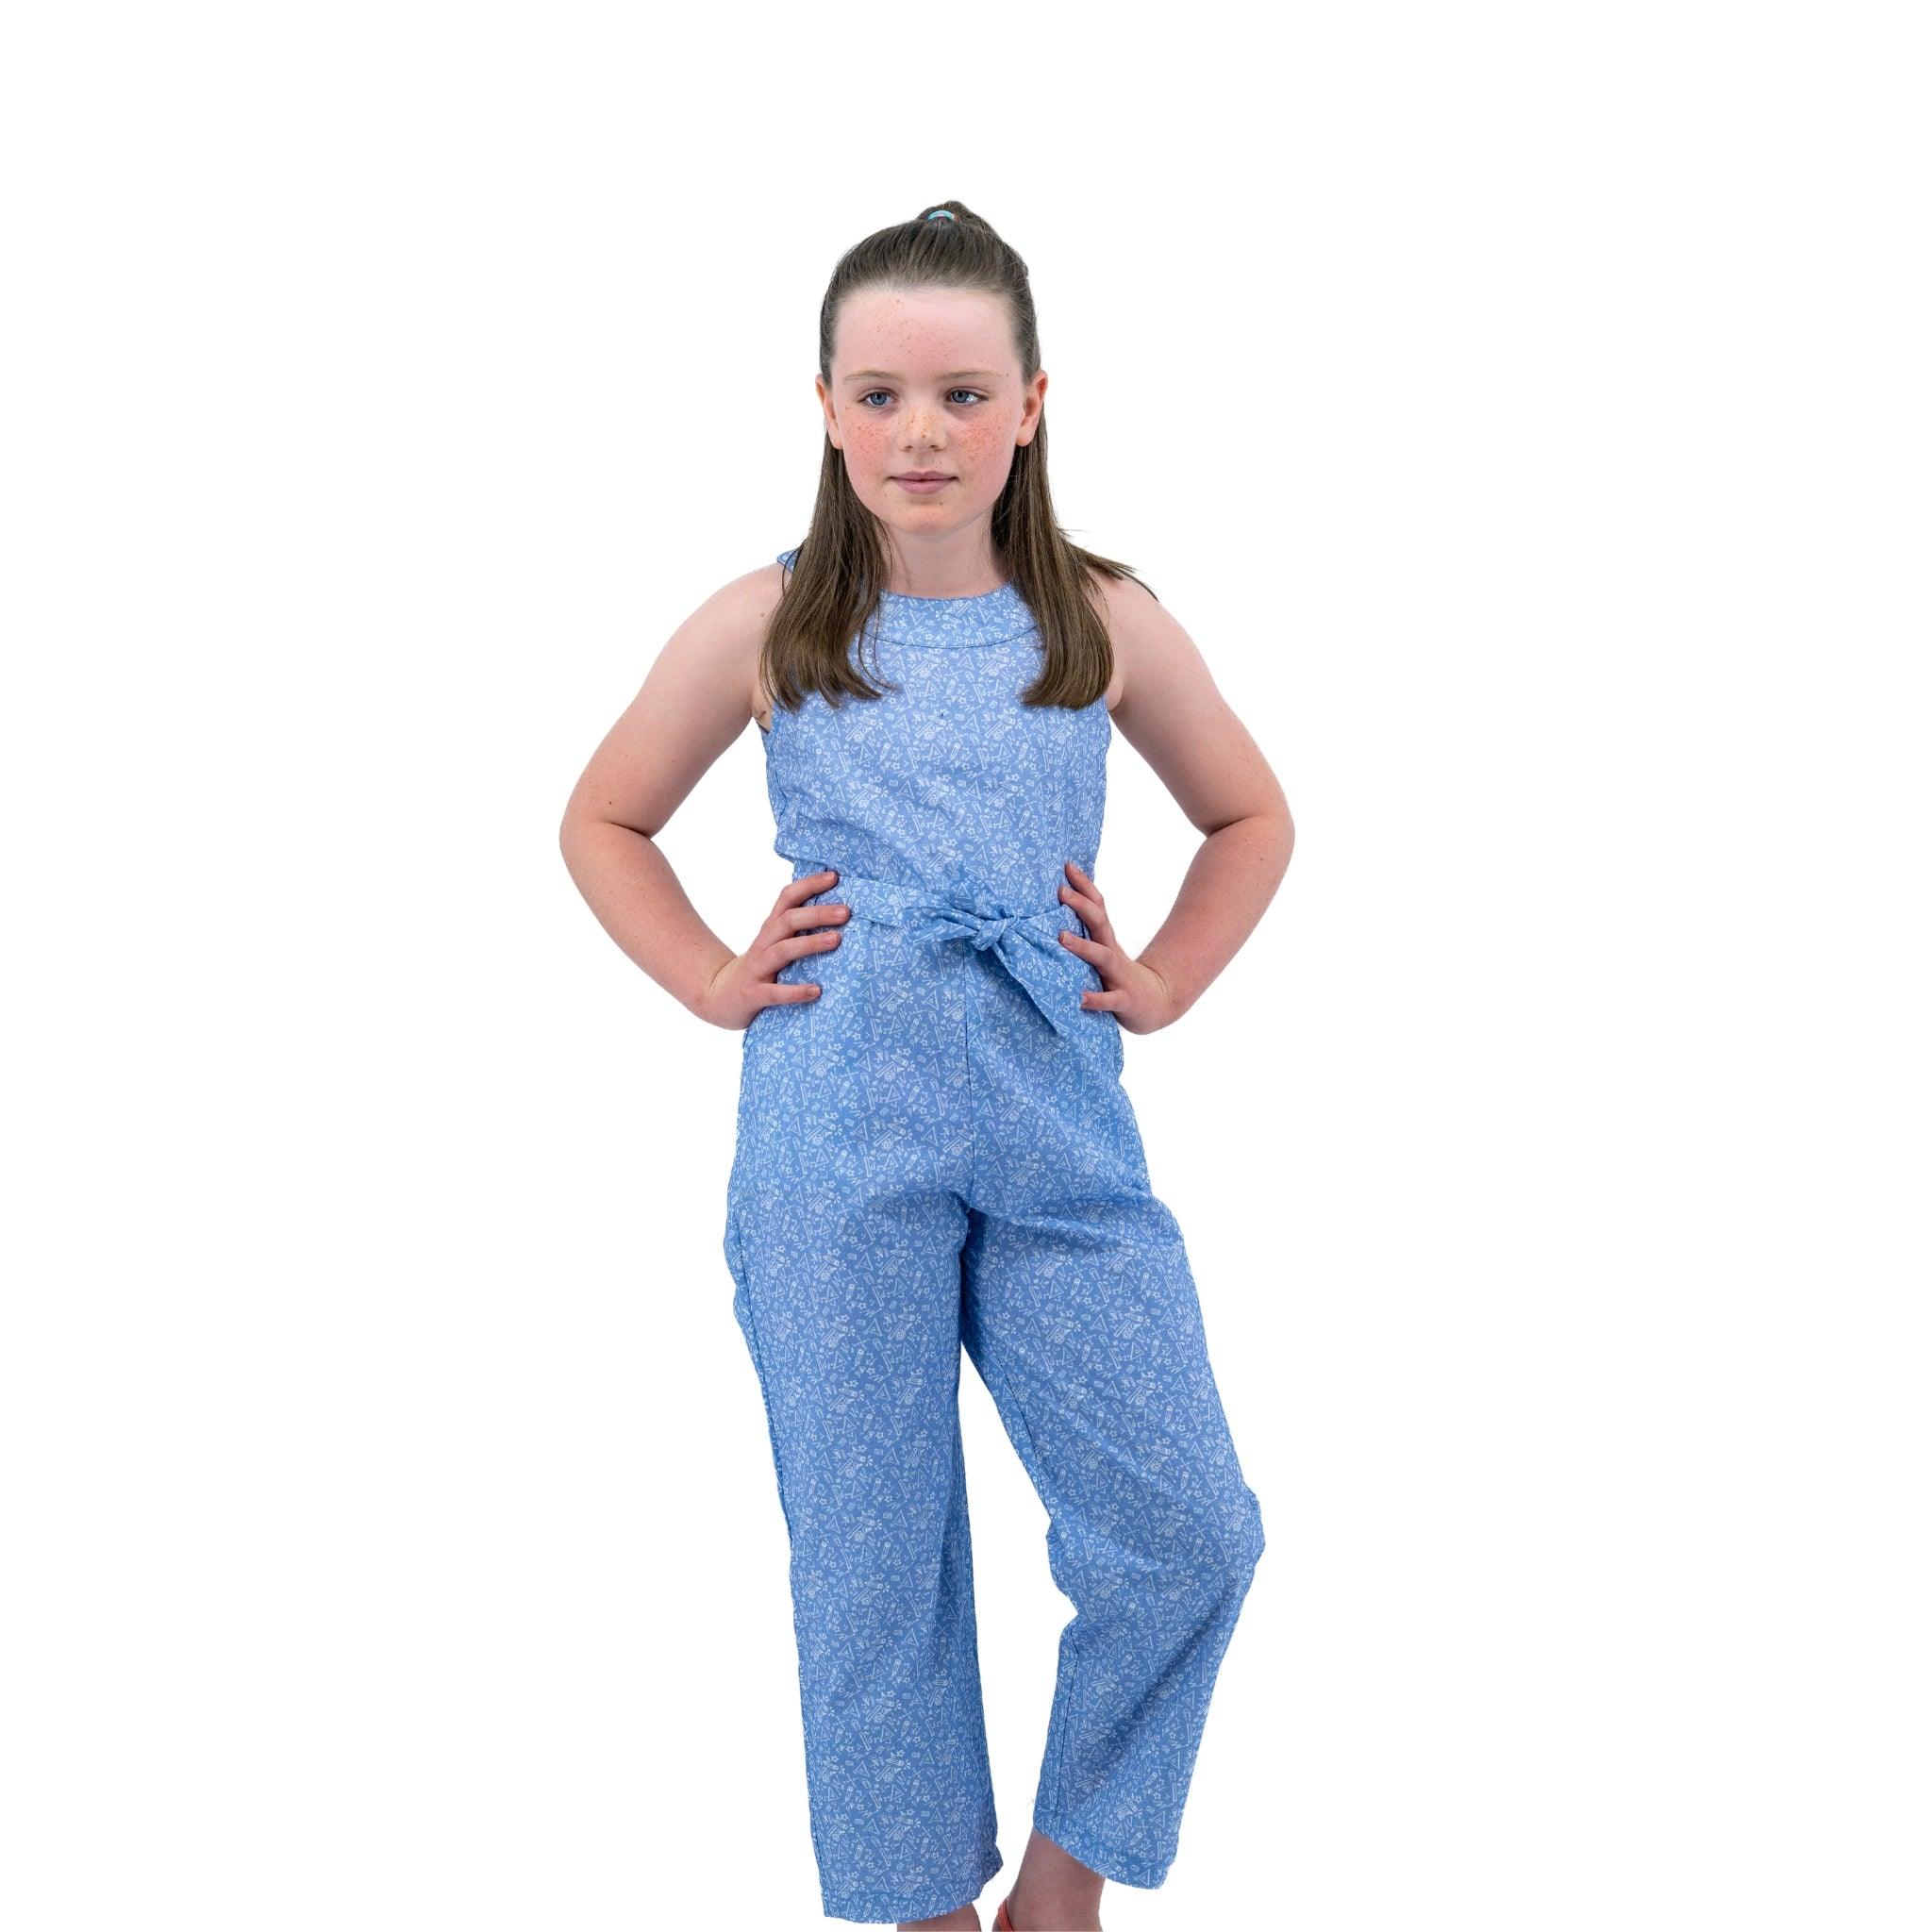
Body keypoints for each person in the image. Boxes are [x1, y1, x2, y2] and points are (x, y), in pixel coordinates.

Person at [559, 201, 1295, 1932]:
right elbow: (602, 819)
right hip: (835, 1123)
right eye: (882, 394)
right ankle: (922, 1914)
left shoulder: (1097, 619)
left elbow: (1251, 815)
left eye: (964, 396)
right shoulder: (767, 623)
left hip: (1055, 1119)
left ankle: (1061, 1891)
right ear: (824, 406)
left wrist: (1169, 979)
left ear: (1034, 405)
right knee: (874, 1563)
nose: (922, 433)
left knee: (1192, 1528)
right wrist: (710, 980)